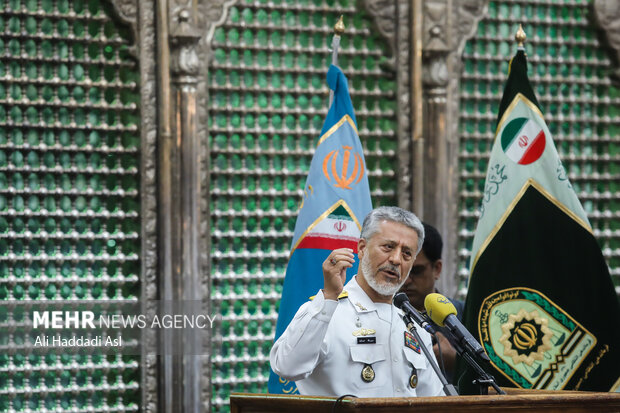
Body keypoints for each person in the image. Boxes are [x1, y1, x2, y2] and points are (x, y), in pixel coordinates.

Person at [270, 206, 445, 397]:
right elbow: (287, 367)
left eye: (407, 254)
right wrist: (329, 297)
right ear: (362, 248)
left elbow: (433, 399)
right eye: (388, 247)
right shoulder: (327, 311)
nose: (396, 259)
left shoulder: (415, 327)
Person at [399, 222, 464, 383]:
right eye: (401, 269)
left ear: (437, 268)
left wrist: (457, 362)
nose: (406, 281)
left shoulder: (463, 314)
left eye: (416, 271)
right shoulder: (383, 316)